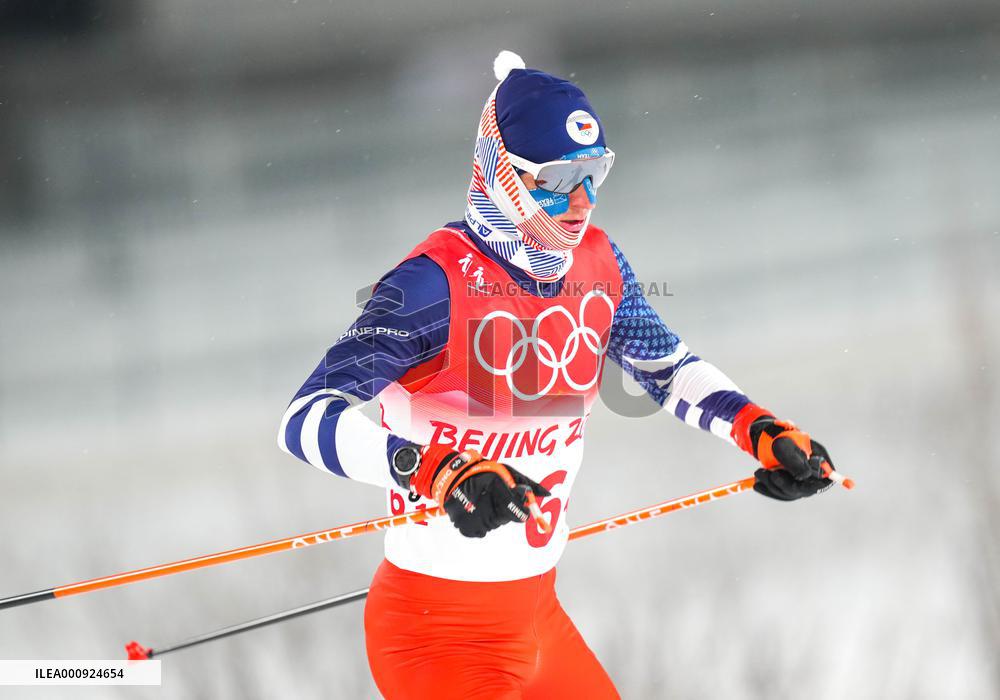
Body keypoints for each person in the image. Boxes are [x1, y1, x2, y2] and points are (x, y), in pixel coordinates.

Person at [278, 50, 835, 700]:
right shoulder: (433, 284)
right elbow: (305, 417)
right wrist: (433, 468)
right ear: (501, 175)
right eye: (559, 177)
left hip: (538, 625)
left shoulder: (598, 264)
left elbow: (667, 369)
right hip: (435, 639)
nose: (581, 202)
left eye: (596, 173)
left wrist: (757, 428)